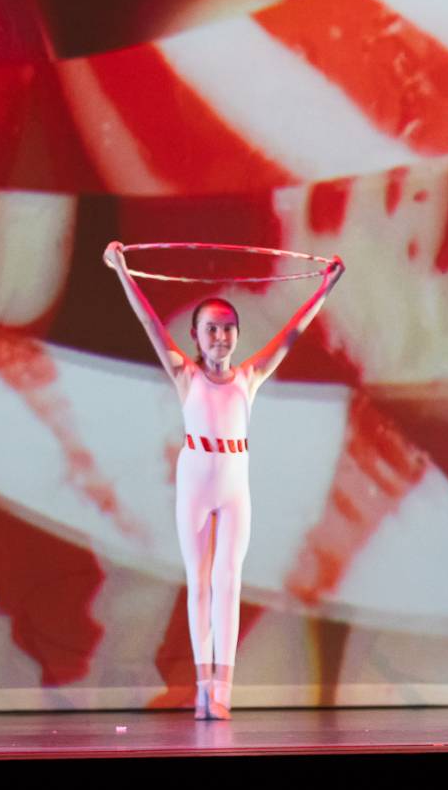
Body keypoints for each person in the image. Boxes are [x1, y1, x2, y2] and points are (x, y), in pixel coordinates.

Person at [103, 242, 344, 719]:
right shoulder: (185, 374)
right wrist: (122, 271)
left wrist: (325, 286)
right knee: (200, 583)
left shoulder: (248, 377)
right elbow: (150, 322)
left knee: (229, 581)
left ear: (235, 335)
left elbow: (293, 332)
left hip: (234, 480)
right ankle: (201, 685)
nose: (220, 336)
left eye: (228, 329)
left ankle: (223, 690)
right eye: (212, 329)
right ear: (197, 335)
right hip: (196, 476)